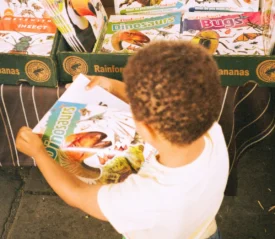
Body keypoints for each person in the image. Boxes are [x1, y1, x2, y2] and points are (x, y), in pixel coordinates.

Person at [16, 41, 229, 239]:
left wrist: (39, 153)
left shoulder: (142, 199)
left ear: (146, 128)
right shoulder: (212, 130)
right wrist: (111, 86)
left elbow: (77, 194)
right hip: (205, 230)